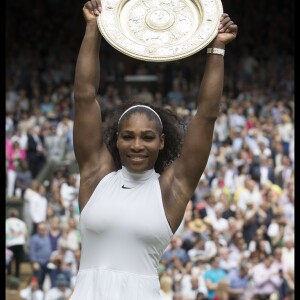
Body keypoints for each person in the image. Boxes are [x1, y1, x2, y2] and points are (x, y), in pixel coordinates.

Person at [69, 0, 237, 298]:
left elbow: (206, 116)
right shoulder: (96, 175)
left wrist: (217, 49)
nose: (136, 145)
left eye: (147, 137)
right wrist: (93, 28)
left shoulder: (171, 189)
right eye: (128, 136)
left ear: (162, 142)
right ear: (116, 140)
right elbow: (84, 96)